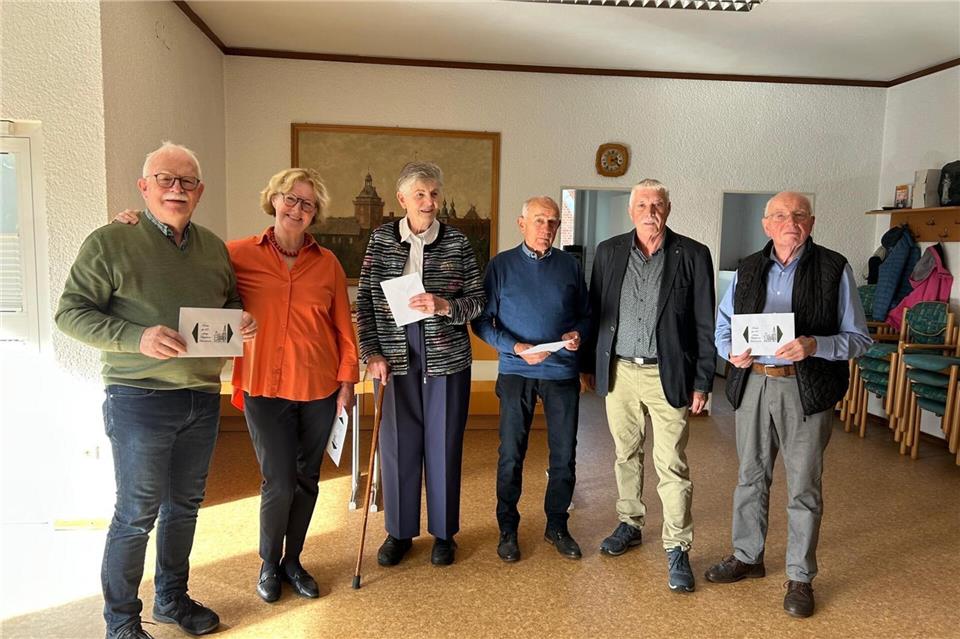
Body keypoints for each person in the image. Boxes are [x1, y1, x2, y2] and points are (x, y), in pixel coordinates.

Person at [112, 168, 359, 604]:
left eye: (307, 203)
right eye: (290, 198)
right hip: (264, 386)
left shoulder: (328, 264)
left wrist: (346, 382)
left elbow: (342, 327)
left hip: (319, 386)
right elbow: (183, 264)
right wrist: (134, 230)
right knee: (278, 480)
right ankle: (268, 562)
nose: (297, 209)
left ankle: (293, 561)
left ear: (315, 213)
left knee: (307, 479)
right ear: (274, 200)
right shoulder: (236, 254)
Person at [56, 142, 257, 639]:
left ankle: (171, 599)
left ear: (200, 191)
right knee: (135, 514)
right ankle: (121, 621)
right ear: (144, 187)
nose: (176, 188)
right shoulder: (109, 241)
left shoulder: (212, 246)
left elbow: (228, 298)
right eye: (165, 179)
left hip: (201, 395)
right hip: (137, 397)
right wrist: (136, 337)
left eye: (187, 181)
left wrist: (240, 320)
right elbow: (70, 313)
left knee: (185, 506)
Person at [706, 192, 870, 618]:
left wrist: (817, 344)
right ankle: (747, 556)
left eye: (798, 215)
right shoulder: (747, 268)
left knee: (804, 486)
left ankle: (800, 575)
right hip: (755, 383)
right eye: (779, 215)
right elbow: (723, 326)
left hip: (806, 388)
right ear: (767, 225)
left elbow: (859, 338)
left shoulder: (834, 268)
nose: (789, 221)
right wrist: (730, 352)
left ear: (811, 222)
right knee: (750, 477)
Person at [581, 178, 715, 593]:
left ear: (669, 209)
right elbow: (595, 311)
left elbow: (704, 322)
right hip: (619, 372)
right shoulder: (609, 252)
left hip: (668, 373)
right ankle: (630, 522)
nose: (650, 211)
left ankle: (677, 546)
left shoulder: (692, 254)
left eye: (657, 204)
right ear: (631, 209)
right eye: (642, 204)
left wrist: (703, 379)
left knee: (671, 463)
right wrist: (588, 364)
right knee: (625, 453)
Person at [356, 161, 485, 567]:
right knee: (397, 446)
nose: (428, 202)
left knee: (443, 445)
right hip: (393, 357)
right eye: (420, 195)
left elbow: (478, 301)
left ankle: (444, 533)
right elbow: (364, 303)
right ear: (402, 200)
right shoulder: (379, 240)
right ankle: (399, 532)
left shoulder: (458, 243)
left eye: (433, 194)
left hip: (446, 358)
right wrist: (371, 353)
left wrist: (446, 305)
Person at [473, 196, 590, 562]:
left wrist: (577, 335)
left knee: (564, 454)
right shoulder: (500, 266)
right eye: (539, 221)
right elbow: (481, 322)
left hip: (560, 374)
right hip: (516, 372)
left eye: (553, 222)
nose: (547, 229)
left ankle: (557, 524)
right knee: (511, 454)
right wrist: (515, 346)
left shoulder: (570, 267)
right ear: (521, 223)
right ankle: (507, 528)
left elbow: (588, 315)